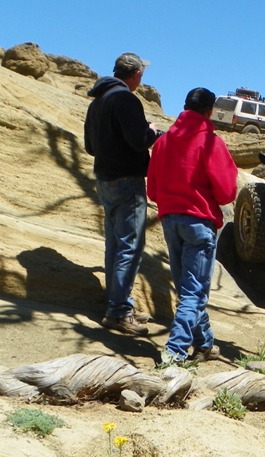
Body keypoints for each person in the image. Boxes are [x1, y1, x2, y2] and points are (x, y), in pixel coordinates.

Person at [146, 87, 238, 363]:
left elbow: (152, 191)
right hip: (199, 221)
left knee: (187, 287)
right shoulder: (211, 143)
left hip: (170, 219)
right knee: (194, 291)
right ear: (209, 111)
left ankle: (204, 342)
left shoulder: (163, 142)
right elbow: (226, 192)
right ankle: (174, 351)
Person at [84, 52, 160, 336]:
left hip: (104, 179)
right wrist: (152, 131)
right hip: (127, 181)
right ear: (136, 74)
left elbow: (90, 147)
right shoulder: (126, 99)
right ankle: (118, 312)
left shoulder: (98, 102)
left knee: (114, 245)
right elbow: (139, 140)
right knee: (130, 246)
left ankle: (118, 303)